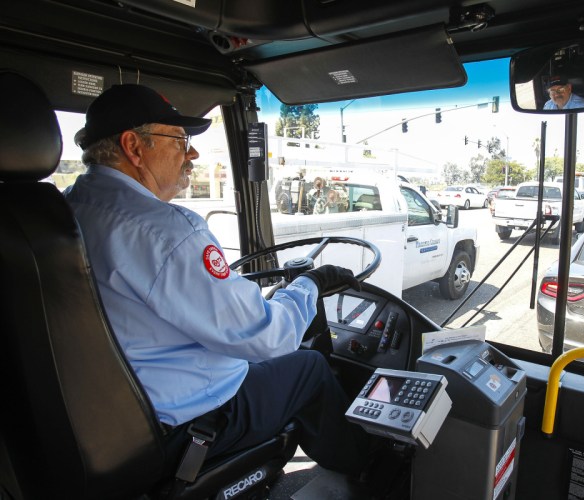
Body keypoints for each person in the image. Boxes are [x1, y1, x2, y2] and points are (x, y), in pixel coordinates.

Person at [63, 84, 371, 477]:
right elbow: (269, 339)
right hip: (185, 426)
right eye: (179, 139)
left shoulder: (69, 207)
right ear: (133, 147)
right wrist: (309, 284)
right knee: (308, 366)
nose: (190, 153)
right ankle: (368, 473)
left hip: (100, 420)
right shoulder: (166, 232)